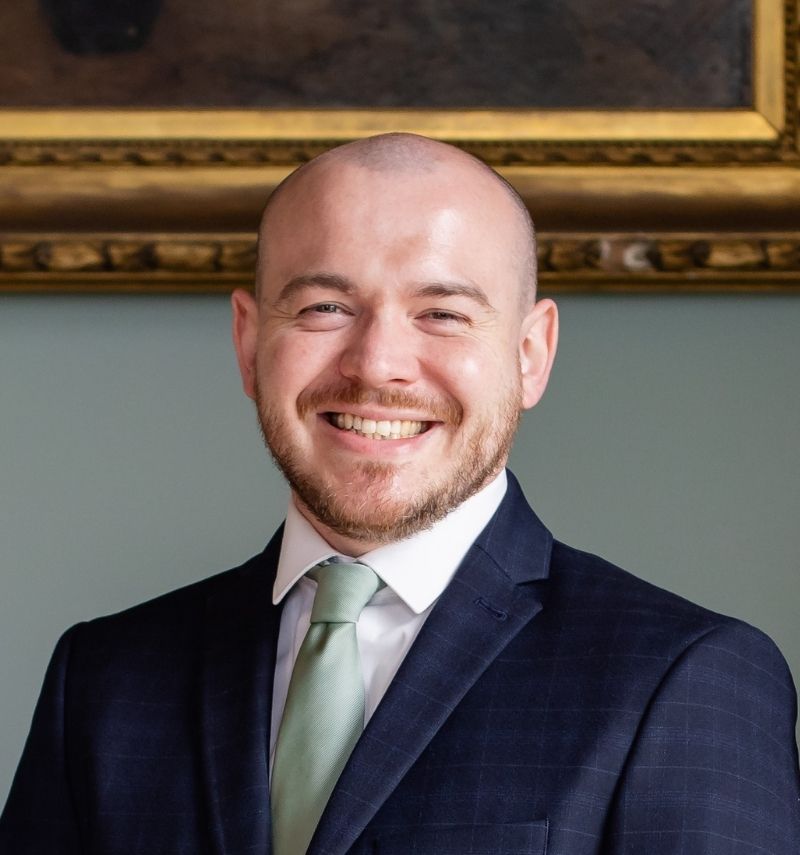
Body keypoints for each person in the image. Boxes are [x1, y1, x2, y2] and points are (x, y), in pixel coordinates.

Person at [1, 133, 798, 854]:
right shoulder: (102, 680)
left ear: (530, 354)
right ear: (249, 343)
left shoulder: (683, 678)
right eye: (326, 307)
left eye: (442, 313)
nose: (378, 363)